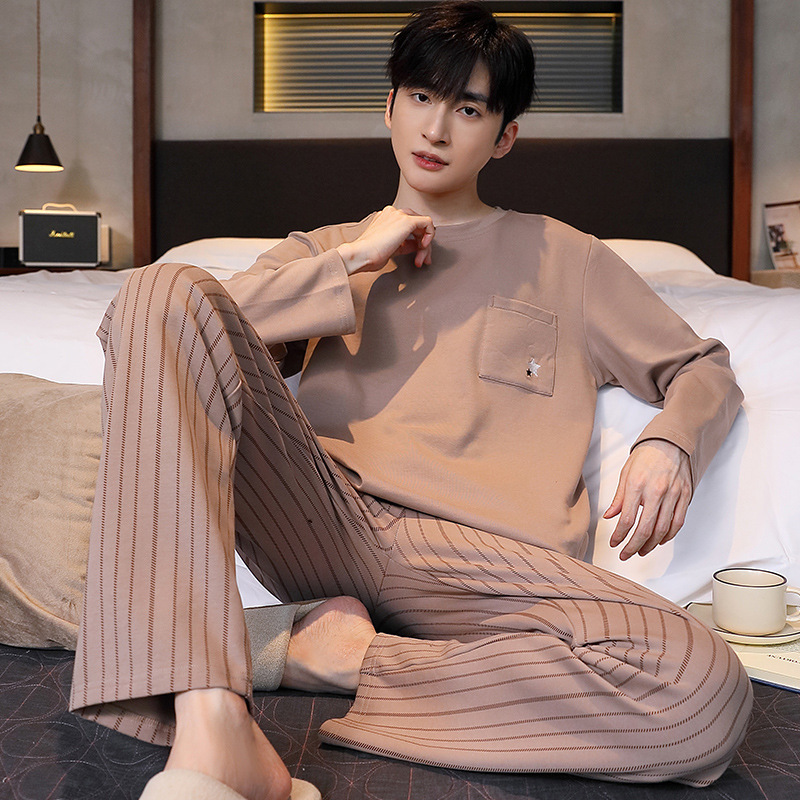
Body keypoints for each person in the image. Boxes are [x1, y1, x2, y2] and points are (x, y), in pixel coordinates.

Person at [70, 3, 752, 799]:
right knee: (157, 289)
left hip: (489, 565)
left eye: (468, 109)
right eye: (422, 98)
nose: (436, 128)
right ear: (389, 105)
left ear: (503, 137)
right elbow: (162, 329)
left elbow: (702, 367)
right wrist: (352, 262)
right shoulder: (326, 250)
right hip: (323, 520)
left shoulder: (569, 259)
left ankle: (333, 654)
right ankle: (213, 719)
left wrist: (670, 441)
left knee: (702, 685)